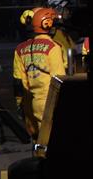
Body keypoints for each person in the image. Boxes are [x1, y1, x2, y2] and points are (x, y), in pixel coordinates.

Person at [13, 8, 66, 137]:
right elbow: (59, 79)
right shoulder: (53, 47)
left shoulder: (20, 49)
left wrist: (20, 104)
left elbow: (18, 82)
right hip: (51, 100)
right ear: (47, 24)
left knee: (39, 138)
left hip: (32, 102)